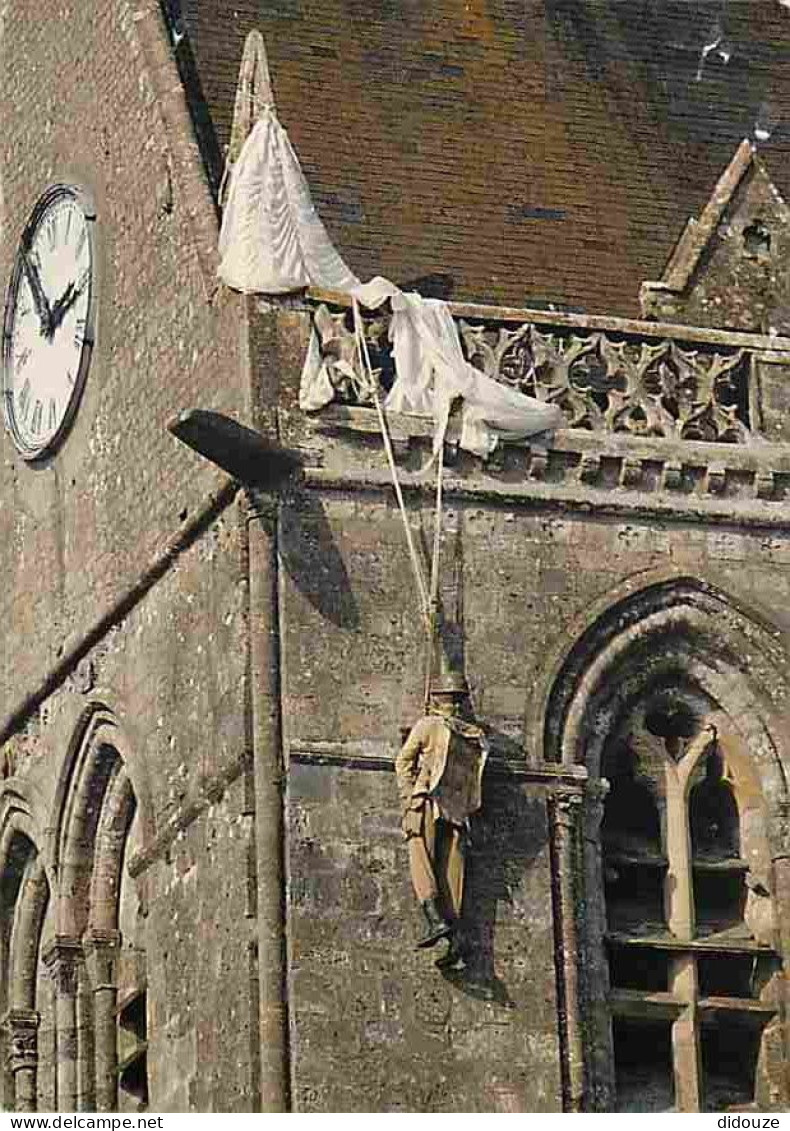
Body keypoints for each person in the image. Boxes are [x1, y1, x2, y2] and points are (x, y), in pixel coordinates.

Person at [395, 671, 489, 958]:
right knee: (452, 870)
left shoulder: (429, 725)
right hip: (458, 811)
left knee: (420, 855)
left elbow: (403, 761)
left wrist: (409, 796)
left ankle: (435, 919)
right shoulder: (474, 736)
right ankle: (456, 936)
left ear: (436, 698)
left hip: (427, 800)